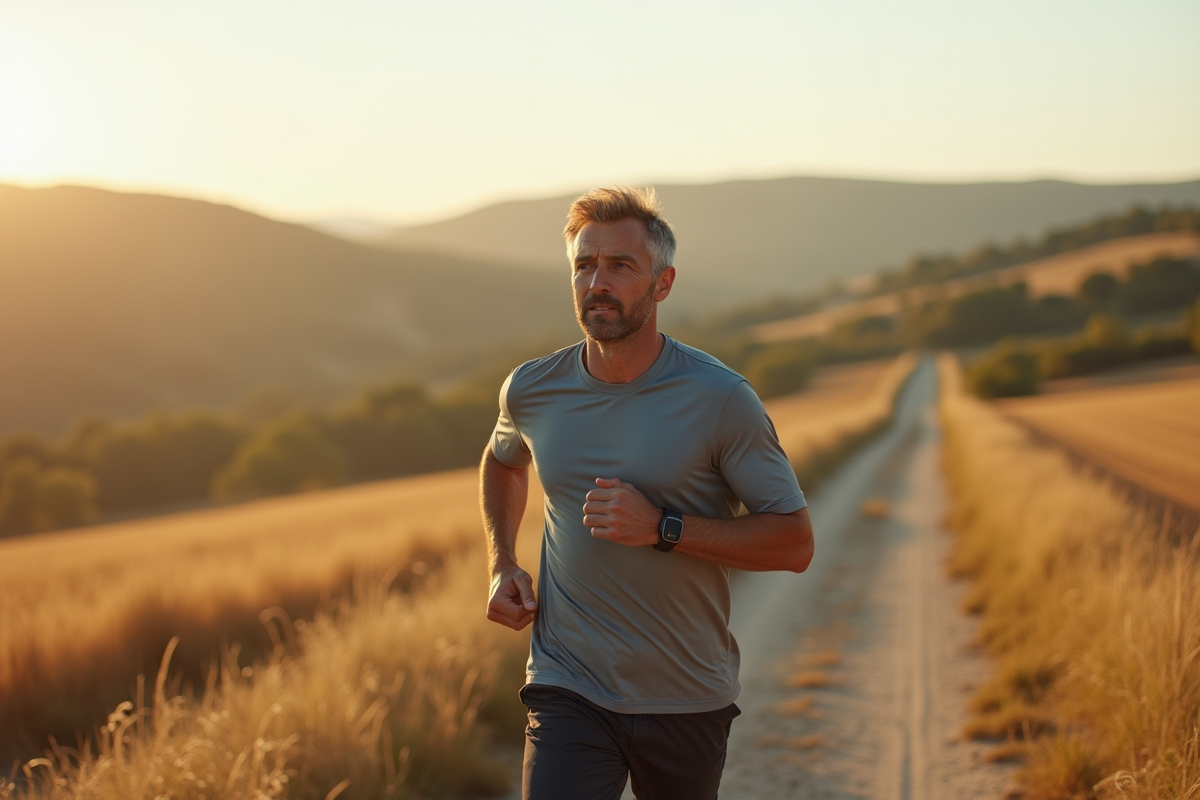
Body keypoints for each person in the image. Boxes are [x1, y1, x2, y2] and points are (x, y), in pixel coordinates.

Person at [479, 186, 814, 800]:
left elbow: (793, 542)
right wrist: (502, 563)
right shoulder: (531, 389)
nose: (596, 282)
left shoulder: (720, 400)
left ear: (662, 284)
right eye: (584, 265)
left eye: (620, 266)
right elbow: (503, 462)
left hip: (686, 692)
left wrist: (663, 527)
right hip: (567, 684)